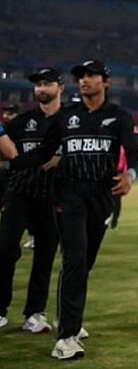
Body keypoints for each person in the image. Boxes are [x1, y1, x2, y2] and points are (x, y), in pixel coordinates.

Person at [2, 59, 138, 360]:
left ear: (106, 82)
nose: (84, 81)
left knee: (84, 263)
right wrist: (11, 164)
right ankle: (66, 337)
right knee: (75, 260)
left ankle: (68, 320)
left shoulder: (119, 117)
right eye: (80, 76)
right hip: (69, 197)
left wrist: (130, 176)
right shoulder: (66, 118)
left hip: (100, 199)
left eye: (91, 75)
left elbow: (134, 153)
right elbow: (42, 152)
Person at [0, 69, 64, 334]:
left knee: (45, 256)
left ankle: (34, 313)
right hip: (19, 194)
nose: (41, 88)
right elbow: (6, 155)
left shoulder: (71, 121)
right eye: (38, 85)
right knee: (5, 250)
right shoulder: (21, 122)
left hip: (52, 197)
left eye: (47, 83)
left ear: (60, 88)